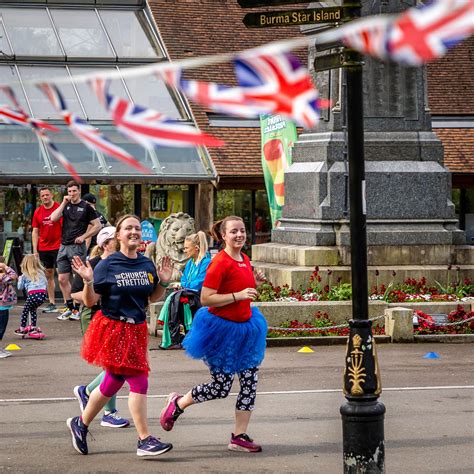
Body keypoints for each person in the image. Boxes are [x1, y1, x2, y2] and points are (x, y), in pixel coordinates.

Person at [66, 214, 174, 457]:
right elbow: (90, 300)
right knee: (139, 379)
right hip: (114, 328)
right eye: (128, 228)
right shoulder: (107, 264)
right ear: (119, 235)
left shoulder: (146, 264)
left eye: (137, 228)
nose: (134, 232)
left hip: (136, 330)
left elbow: (151, 298)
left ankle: (80, 423)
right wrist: (88, 281)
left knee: (112, 381)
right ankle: (144, 439)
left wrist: (163, 283)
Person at [159, 215, 267, 453]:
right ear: (224, 236)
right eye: (234, 232)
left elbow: (240, 288)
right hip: (221, 330)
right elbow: (207, 298)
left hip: (247, 329)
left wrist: (255, 282)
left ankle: (239, 436)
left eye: (242, 230)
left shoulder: (244, 259)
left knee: (250, 382)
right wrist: (239, 295)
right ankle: (178, 403)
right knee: (221, 387)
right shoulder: (219, 262)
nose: (239, 235)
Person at [70, 226, 130, 429]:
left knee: (114, 364)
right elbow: (74, 294)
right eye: (116, 238)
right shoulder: (93, 264)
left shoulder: (123, 263)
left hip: (117, 317)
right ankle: (106, 409)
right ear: (105, 244)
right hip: (95, 316)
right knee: (114, 365)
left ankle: (90, 394)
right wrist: (97, 295)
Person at [50, 181, 101, 321]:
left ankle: (80, 307)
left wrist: (84, 237)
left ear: (78, 191)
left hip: (77, 247)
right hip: (63, 246)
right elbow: (53, 218)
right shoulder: (65, 205)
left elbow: (97, 225)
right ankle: (70, 307)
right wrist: (63, 203)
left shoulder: (86, 207)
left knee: (77, 277)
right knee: (62, 278)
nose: (72, 194)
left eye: (74, 191)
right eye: (69, 191)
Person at [158, 231, 211, 350]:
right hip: (189, 294)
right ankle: (176, 337)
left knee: (178, 298)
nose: (185, 250)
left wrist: (186, 285)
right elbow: (184, 280)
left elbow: (198, 283)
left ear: (196, 248)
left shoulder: (206, 262)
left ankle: (176, 337)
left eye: (187, 248)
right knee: (176, 297)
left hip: (201, 296)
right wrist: (186, 285)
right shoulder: (190, 263)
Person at [31, 187, 62, 314]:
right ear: (40, 198)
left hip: (59, 246)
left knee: (62, 275)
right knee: (48, 275)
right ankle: (52, 302)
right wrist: (35, 250)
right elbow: (35, 231)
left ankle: (68, 303)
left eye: (47, 195)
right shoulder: (38, 212)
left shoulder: (59, 208)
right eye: (42, 195)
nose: (45, 197)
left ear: (52, 195)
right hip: (44, 248)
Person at [14, 255, 48, 340]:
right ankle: (33, 327)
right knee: (33, 310)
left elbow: (20, 288)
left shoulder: (24, 275)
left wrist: (19, 279)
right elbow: (46, 284)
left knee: (25, 311)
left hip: (32, 295)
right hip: (43, 296)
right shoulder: (41, 273)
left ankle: (22, 328)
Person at [0, 257, 18, 358]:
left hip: (3, 306)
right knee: (1, 328)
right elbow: (14, 276)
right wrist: (6, 267)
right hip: (1, 306)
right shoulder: (2, 277)